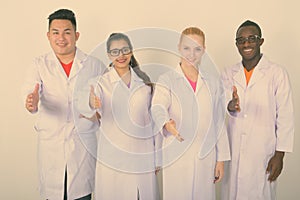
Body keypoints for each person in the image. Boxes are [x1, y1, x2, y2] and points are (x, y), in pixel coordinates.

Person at [22, 9, 105, 200]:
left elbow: (105, 109)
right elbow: (29, 96)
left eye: (67, 32)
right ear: (48, 36)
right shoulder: (39, 65)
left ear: (76, 35)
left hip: (82, 150)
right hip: (52, 149)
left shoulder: (94, 65)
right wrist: (31, 103)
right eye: (55, 32)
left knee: (82, 195)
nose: (61, 38)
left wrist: (96, 109)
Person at [151, 27, 230, 200]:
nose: (191, 54)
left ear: (204, 50)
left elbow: (218, 122)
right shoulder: (167, 79)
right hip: (177, 157)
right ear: (179, 47)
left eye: (197, 49)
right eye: (187, 48)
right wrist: (166, 122)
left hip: (205, 157)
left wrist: (221, 159)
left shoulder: (212, 83)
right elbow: (157, 106)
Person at [79, 33, 158, 200]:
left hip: (142, 157)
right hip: (113, 160)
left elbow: (153, 124)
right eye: (115, 51)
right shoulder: (99, 83)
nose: (121, 55)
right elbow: (86, 107)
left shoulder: (145, 83)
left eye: (125, 50)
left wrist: (157, 156)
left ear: (131, 51)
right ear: (108, 54)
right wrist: (91, 103)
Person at [221, 20, 294, 200]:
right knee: (232, 193)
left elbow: (285, 116)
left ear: (261, 41)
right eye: (241, 40)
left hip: (263, 152)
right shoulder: (228, 73)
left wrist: (280, 155)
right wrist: (229, 106)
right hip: (234, 151)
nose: (246, 44)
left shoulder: (277, 73)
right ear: (236, 44)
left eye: (251, 39)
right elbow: (222, 103)